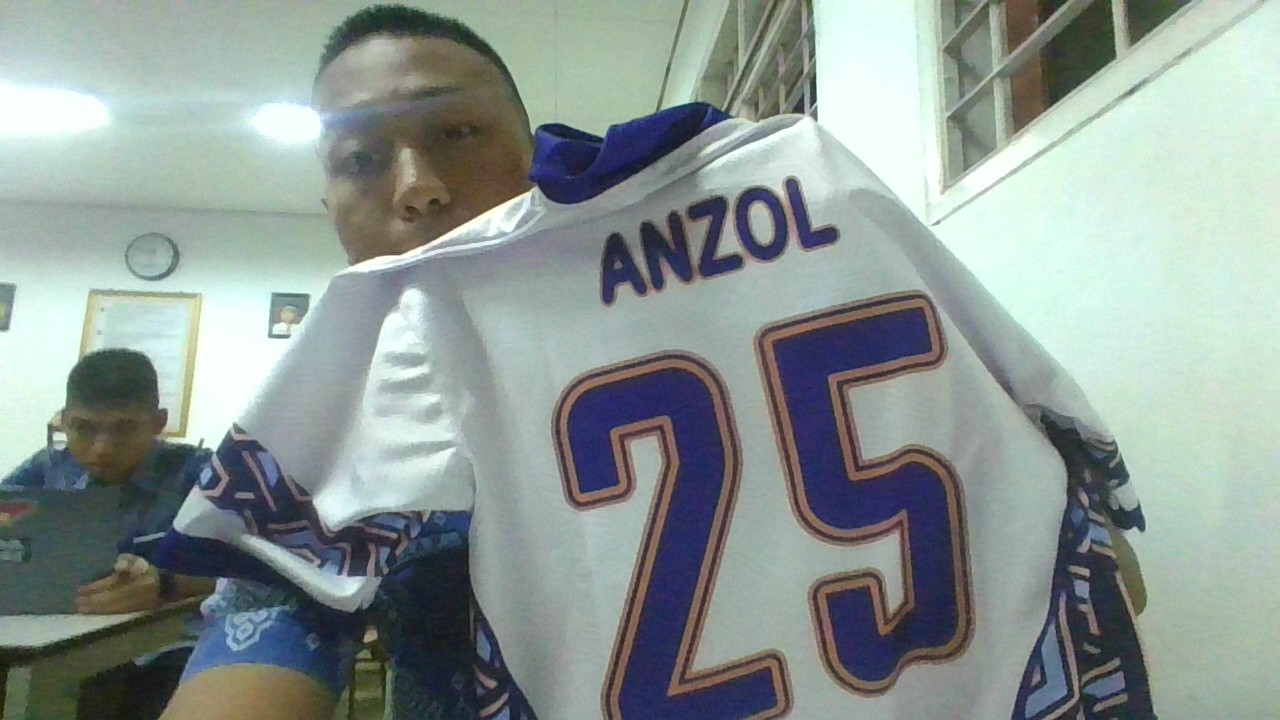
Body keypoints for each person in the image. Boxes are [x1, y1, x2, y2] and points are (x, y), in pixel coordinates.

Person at [160, 6, 534, 720]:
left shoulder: (679, 320)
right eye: (360, 161)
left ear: (538, 157)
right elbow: (258, 641)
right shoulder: (323, 435)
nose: (418, 187)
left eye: (459, 133)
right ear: (330, 208)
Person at [1, 348, 215, 720]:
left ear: (158, 422)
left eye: (125, 428)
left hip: (169, 647)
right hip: (56, 642)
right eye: (83, 428)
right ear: (63, 421)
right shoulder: (47, 471)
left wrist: (166, 585)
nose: (102, 448)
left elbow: (255, 572)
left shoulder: (198, 474)